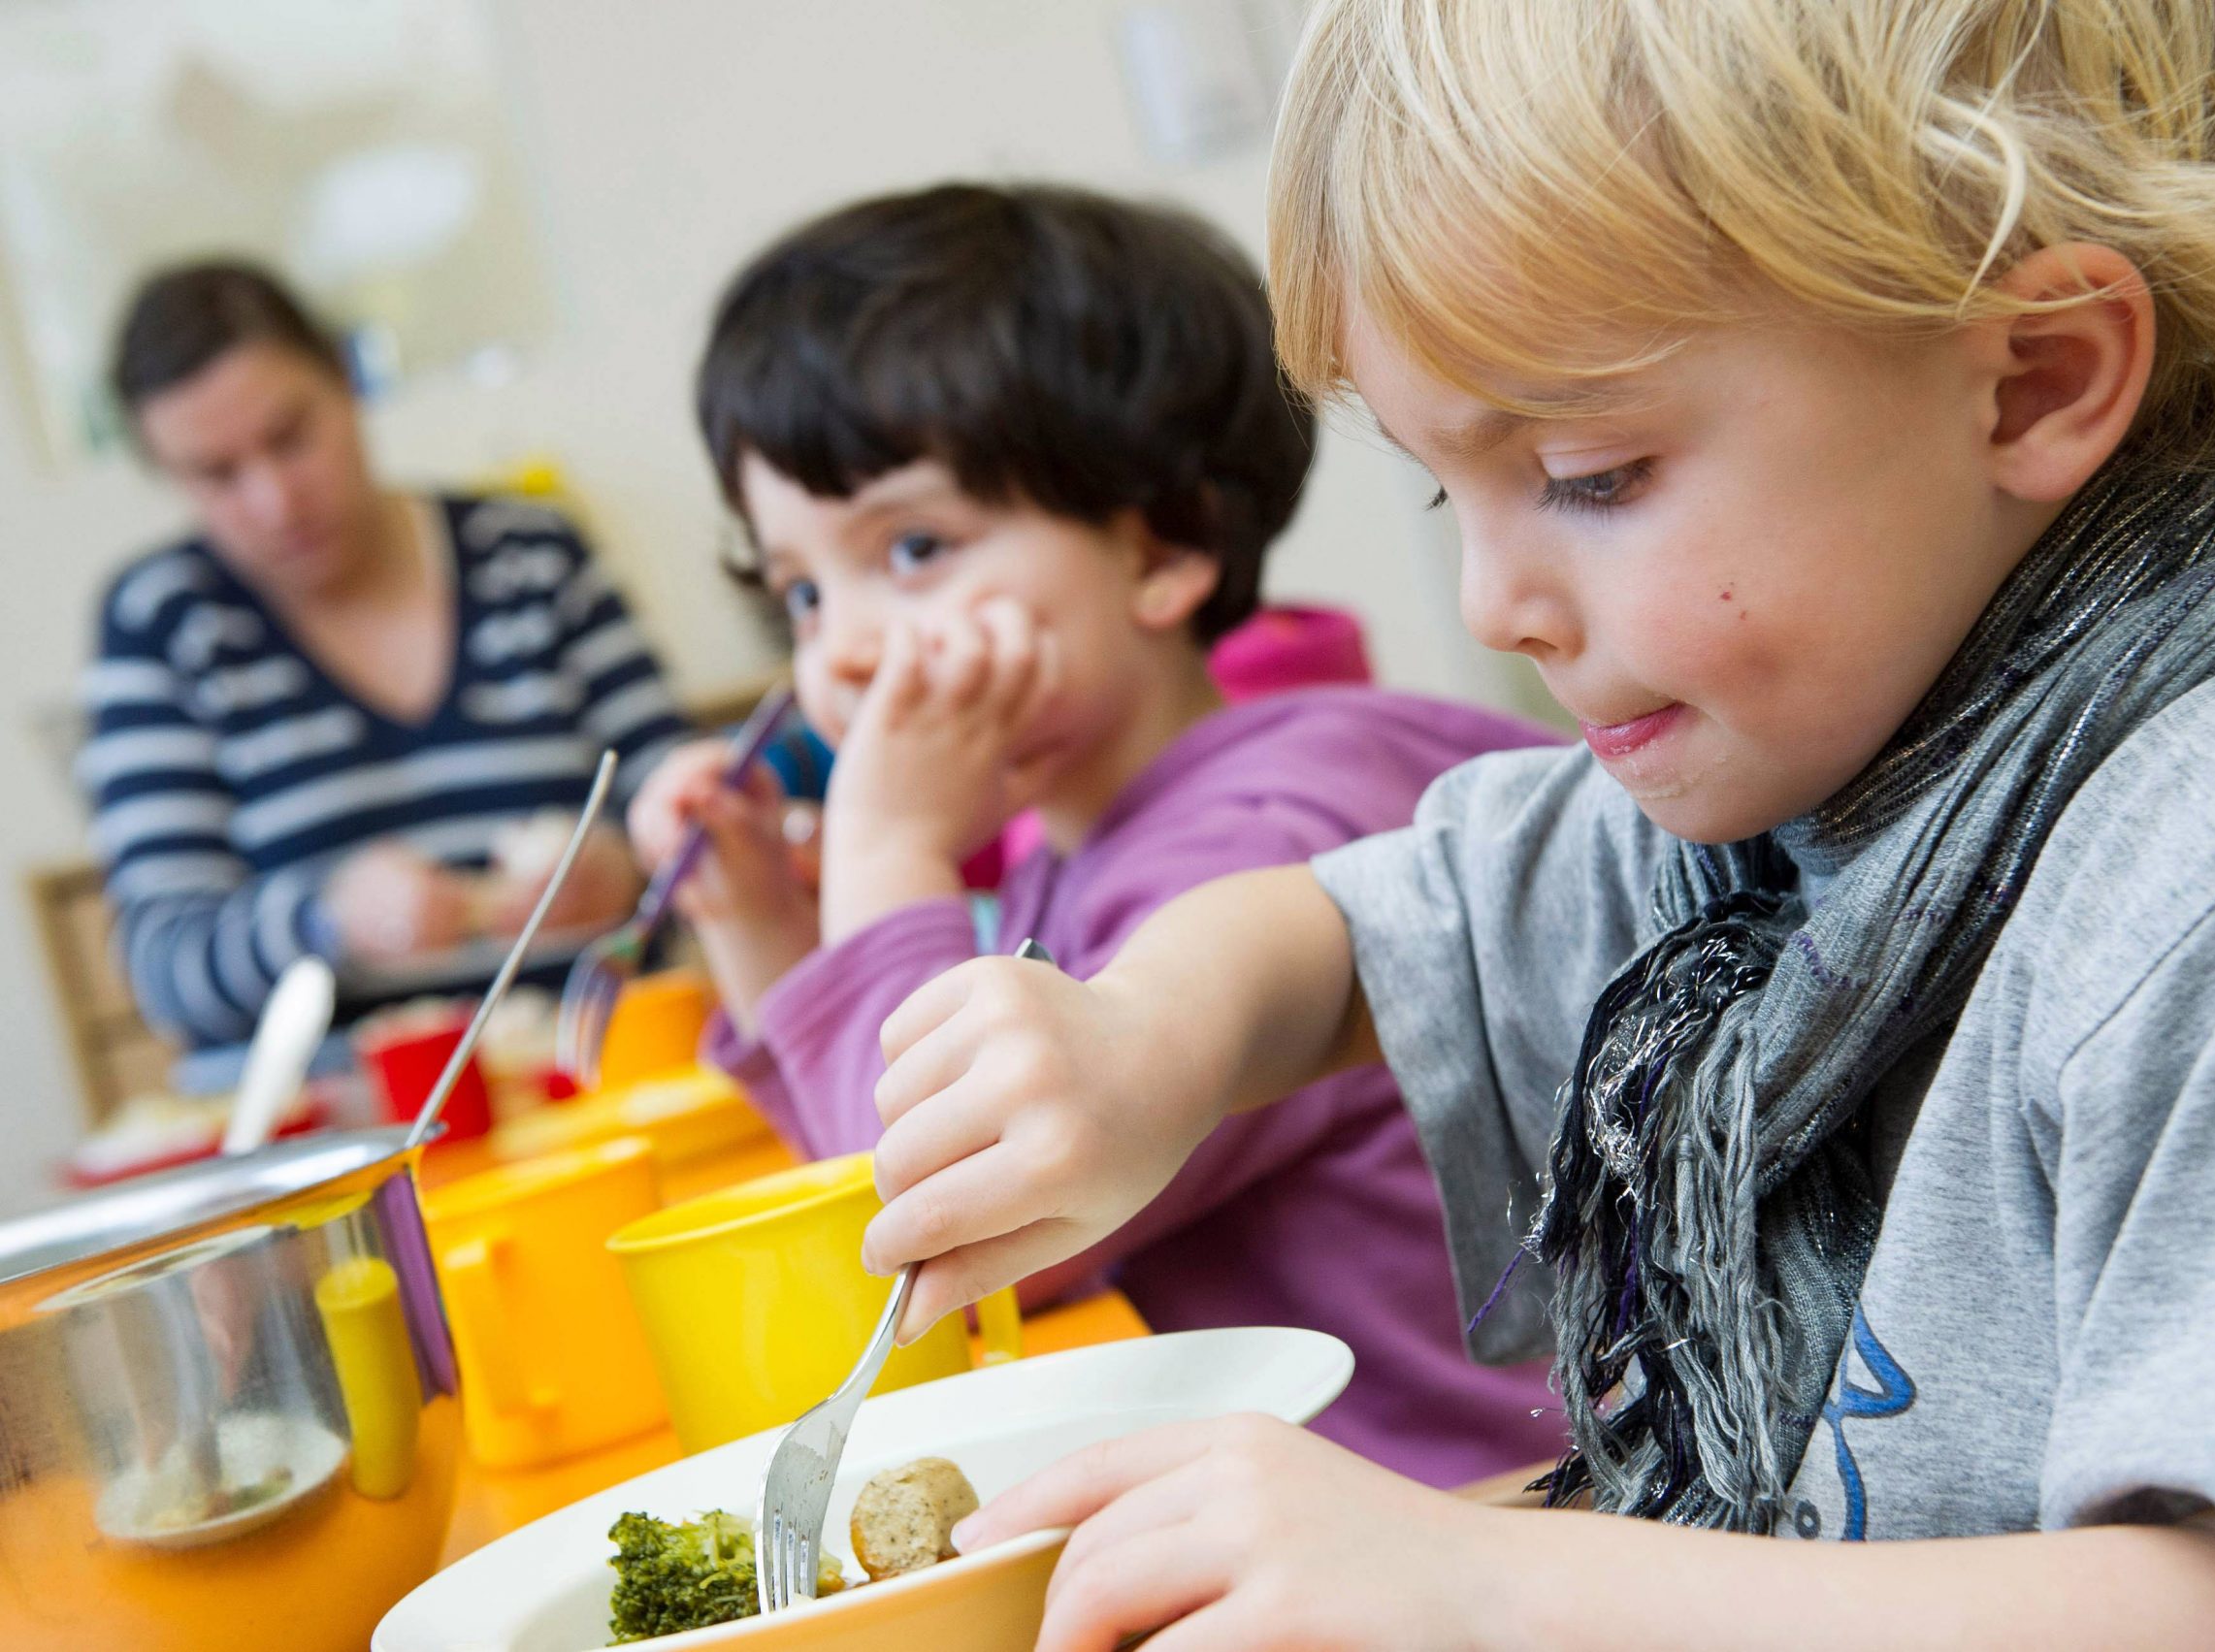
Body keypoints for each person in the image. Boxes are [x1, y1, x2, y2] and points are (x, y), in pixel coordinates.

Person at [856, 3, 2215, 1646]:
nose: (1498, 600)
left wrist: (1493, 1581)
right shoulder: (1803, 779)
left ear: (2035, 381)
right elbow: (1359, 930)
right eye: (1446, 486)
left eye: (1590, 469)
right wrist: (1146, 1038)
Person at [625, 182, 1568, 1488]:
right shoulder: (1081, 839)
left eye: (909, 546)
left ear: (1158, 547)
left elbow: (947, 1235)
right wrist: (761, 921)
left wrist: (887, 849)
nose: (836, 644)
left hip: (1467, 1519)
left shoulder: (1261, 828)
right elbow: (865, 1189)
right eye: (798, 586)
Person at [81, 261, 684, 1047]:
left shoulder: (532, 557)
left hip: (599, 1059)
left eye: (291, 438)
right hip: (342, 1120)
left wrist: (630, 868)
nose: (275, 501)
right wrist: (323, 920)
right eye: (217, 474)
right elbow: (164, 966)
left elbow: (689, 808)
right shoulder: (163, 623)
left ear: (344, 378)